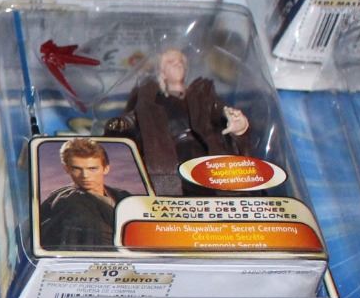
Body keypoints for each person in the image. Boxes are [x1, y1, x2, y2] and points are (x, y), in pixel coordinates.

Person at [103, 47, 250, 195]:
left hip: (207, 155)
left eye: (180, 61)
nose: (177, 64)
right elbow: (132, 119)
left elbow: (224, 113)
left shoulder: (203, 95)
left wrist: (239, 126)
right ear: (162, 72)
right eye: (171, 61)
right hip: (170, 156)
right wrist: (121, 125)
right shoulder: (152, 100)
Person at [39, 139, 131, 250]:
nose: (85, 175)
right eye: (76, 169)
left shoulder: (123, 197)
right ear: (67, 169)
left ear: (106, 168)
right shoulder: (67, 203)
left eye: (92, 169)